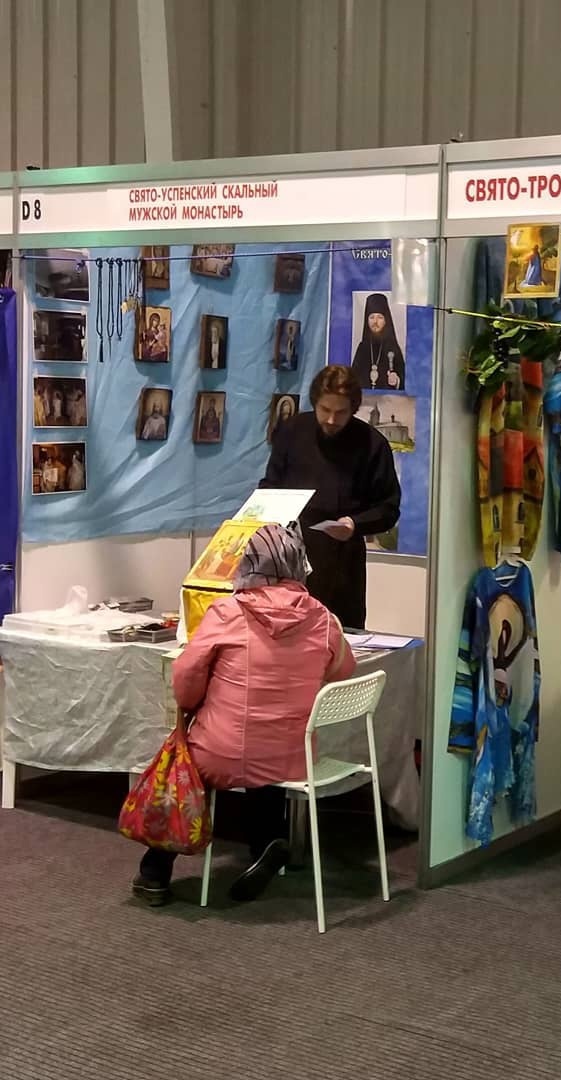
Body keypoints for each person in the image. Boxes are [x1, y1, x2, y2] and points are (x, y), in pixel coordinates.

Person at [131, 524, 356, 907]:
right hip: (293, 756)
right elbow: (343, 669)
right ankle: (268, 842)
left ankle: (154, 872)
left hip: (225, 752)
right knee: (265, 753)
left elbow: (185, 678)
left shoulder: (227, 612)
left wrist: (196, 704)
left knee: (186, 763)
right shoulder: (322, 617)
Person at [261, 366, 400, 629]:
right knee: (284, 636)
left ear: (354, 409)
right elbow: (270, 485)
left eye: (341, 412)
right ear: (315, 402)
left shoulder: (372, 444)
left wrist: (354, 524)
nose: (332, 420)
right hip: (287, 560)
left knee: (337, 636)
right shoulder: (292, 432)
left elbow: (388, 508)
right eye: (325, 410)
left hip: (342, 565)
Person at [352, 294, 406, 391]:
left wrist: (397, 381)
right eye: (371, 317)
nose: (375, 322)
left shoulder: (393, 347)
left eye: (380, 317)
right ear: (367, 321)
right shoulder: (362, 348)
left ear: (385, 321)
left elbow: (405, 379)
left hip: (388, 400)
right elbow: (351, 380)